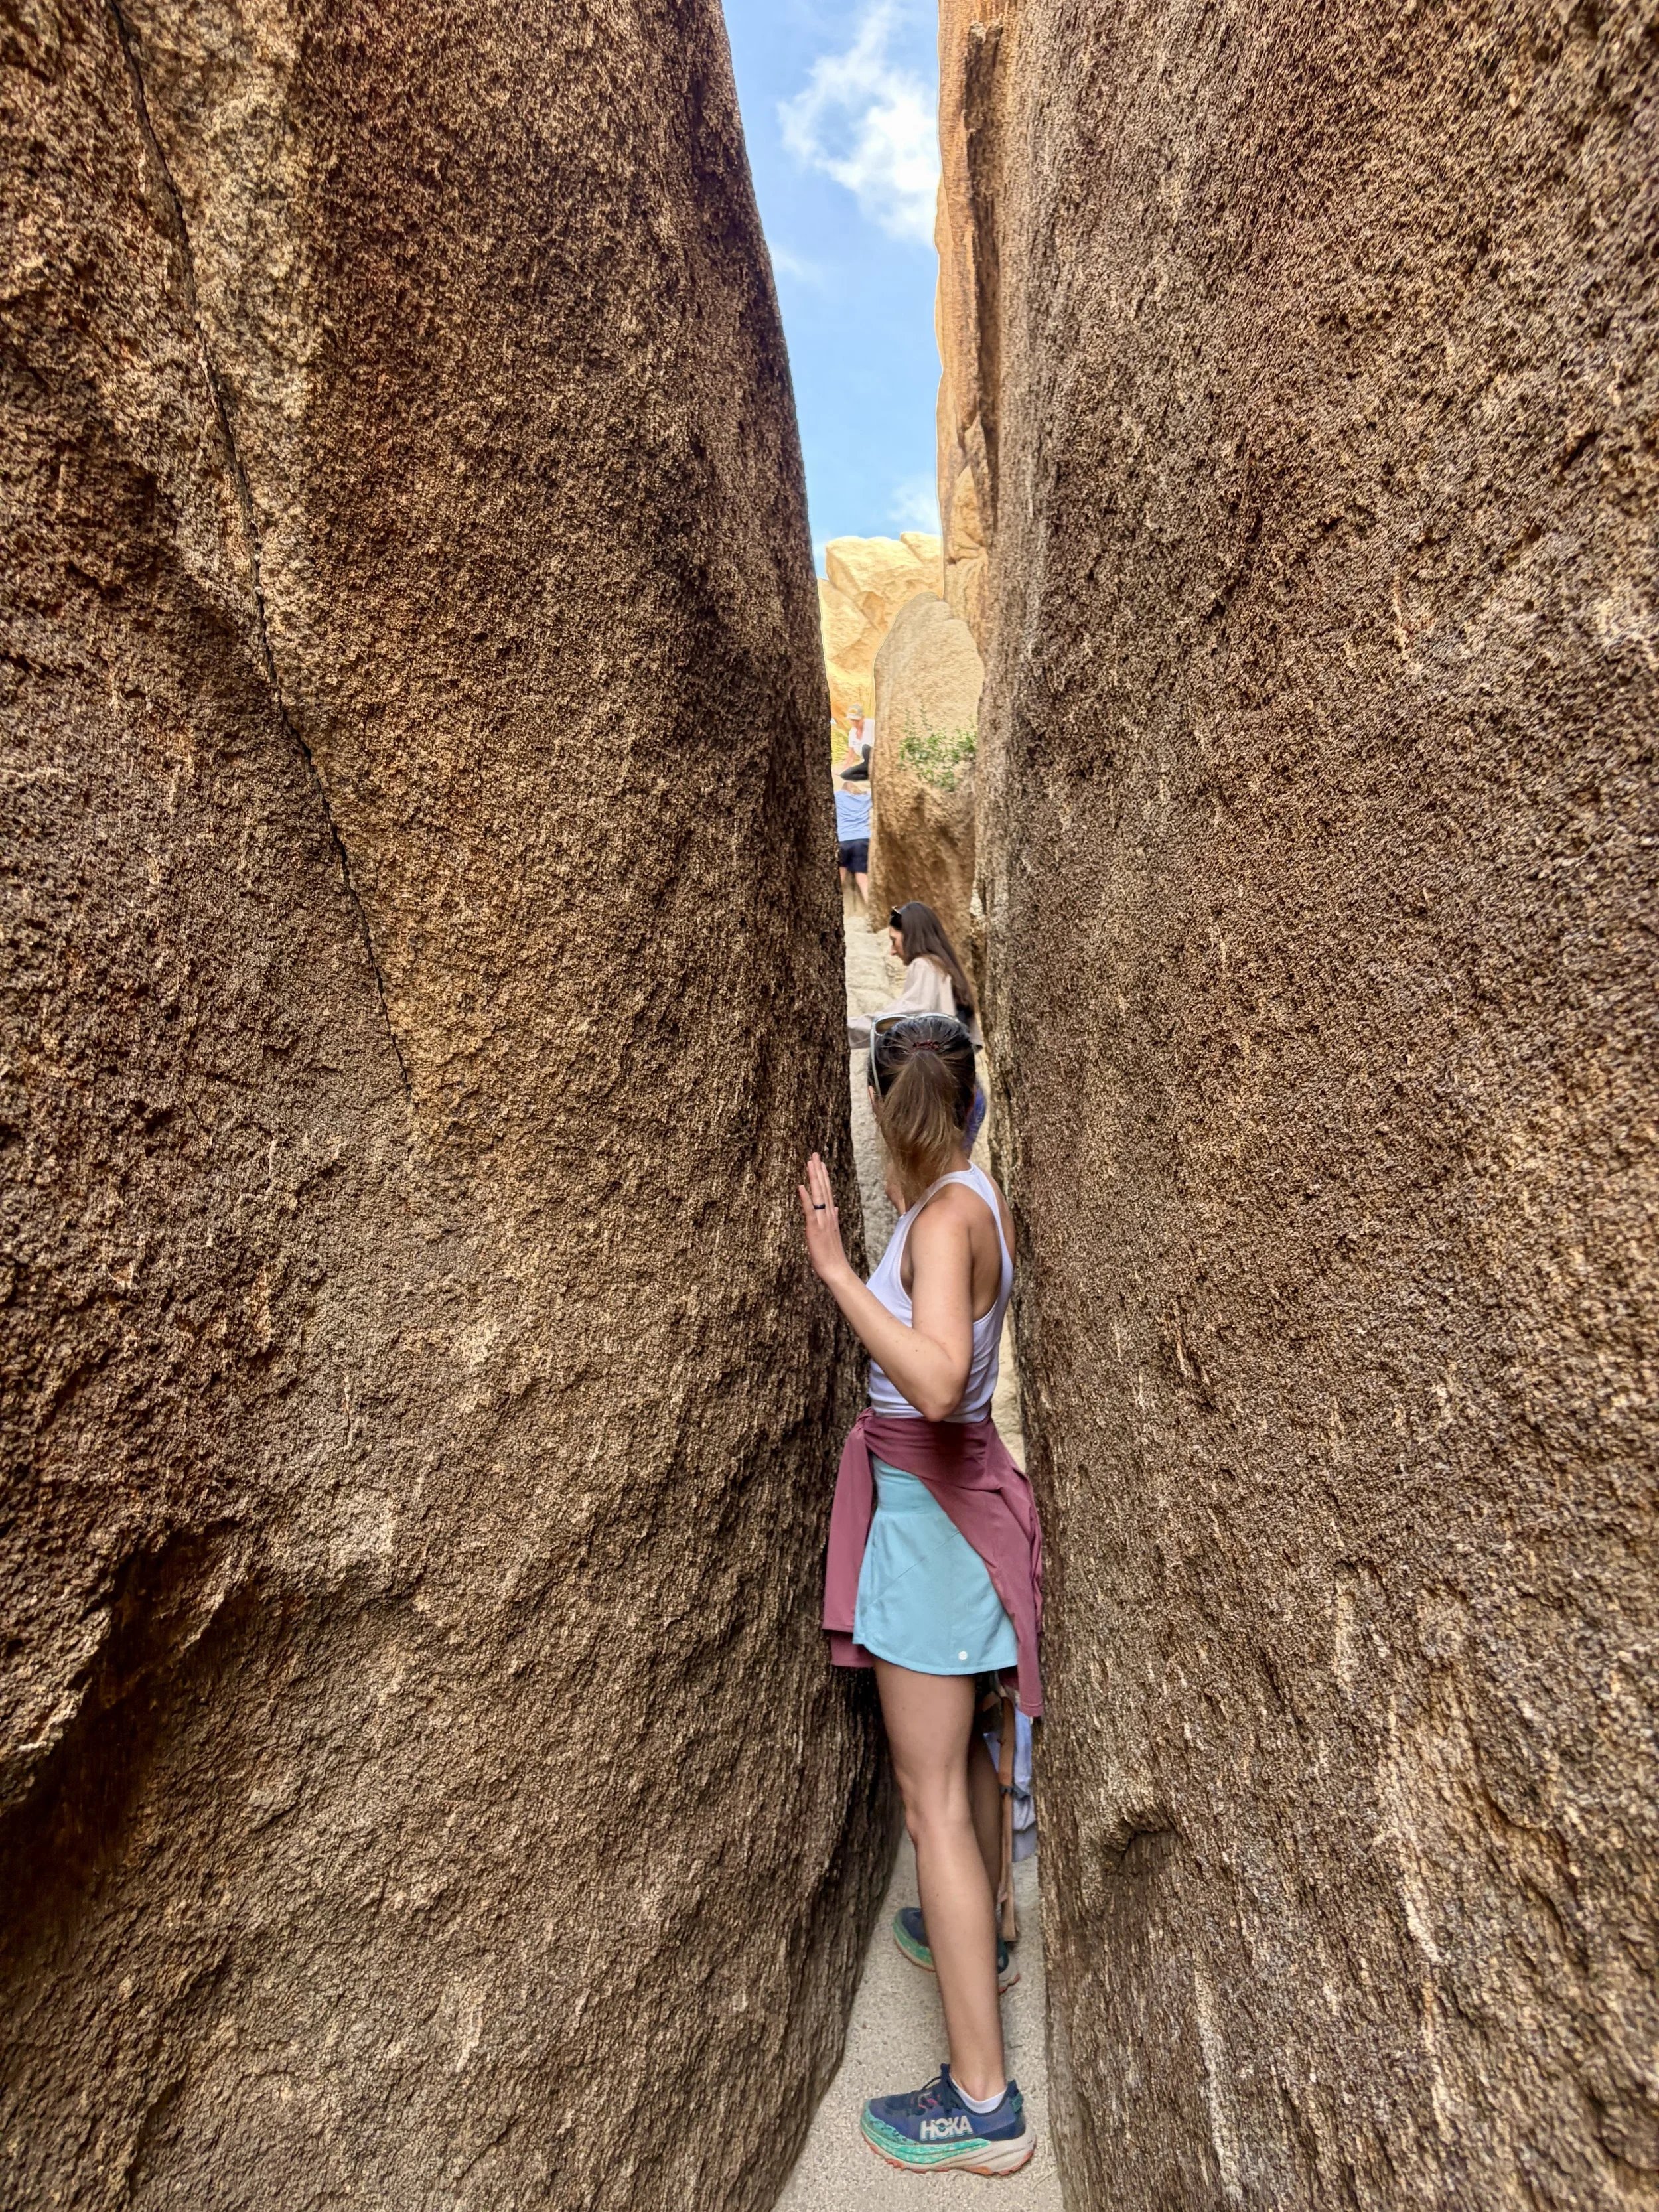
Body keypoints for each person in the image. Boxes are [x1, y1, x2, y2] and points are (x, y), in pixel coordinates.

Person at [797, 1013, 1043, 2177]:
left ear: (884, 1112)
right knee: (972, 1754)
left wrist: (840, 1273)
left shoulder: (940, 1223)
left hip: (932, 1525)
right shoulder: (972, 1198)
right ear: (970, 1102)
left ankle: (984, 2103)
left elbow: (940, 1380)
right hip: (965, 1509)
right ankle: (983, 1929)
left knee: (928, 1796)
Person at [849, 902, 988, 1149]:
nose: (892, 951)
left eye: (894, 940)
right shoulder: (946, 968)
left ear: (911, 935)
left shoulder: (924, 966)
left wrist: (843, 1030)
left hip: (947, 1097)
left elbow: (899, 1020)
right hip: (969, 1095)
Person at [835, 753, 872, 903]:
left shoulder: (838, 797)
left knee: (840, 877)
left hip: (843, 840)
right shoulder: (868, 798)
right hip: (863, 840)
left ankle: (835, 908)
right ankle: (872, 910)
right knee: (862, 879)